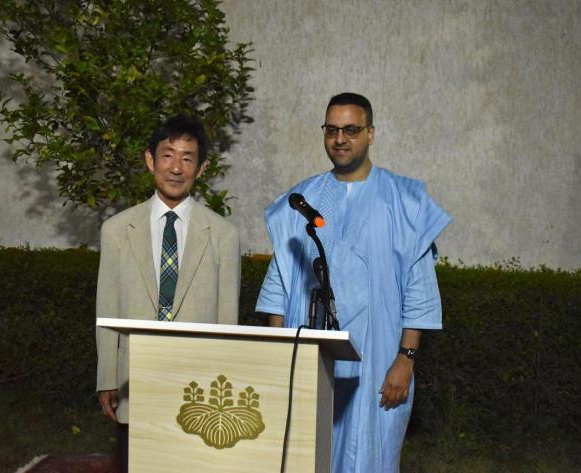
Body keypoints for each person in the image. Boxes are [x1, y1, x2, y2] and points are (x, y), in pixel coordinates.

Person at [256, 93, 451, 472]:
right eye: (332, 130)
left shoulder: (405, 201)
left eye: (351, 130)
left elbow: (420, 290)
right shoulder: (301, 200)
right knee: (305, 456)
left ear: (370, 133)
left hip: (378, 360)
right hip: (309, 360)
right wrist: (279, 355)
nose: (340, 139)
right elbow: (279, 285)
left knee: (369, 457)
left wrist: (406, 360)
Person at [95, 115, 240, 472]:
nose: (176, 168)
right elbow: (107, 307)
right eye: (168, 155)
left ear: (202, 168)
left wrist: (223, 379)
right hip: (135, 375)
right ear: (150, 160)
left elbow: (228, 319)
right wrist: (107, 377)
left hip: (197, 380)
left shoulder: (223, 235)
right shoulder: (117, 230)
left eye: (187, 158)